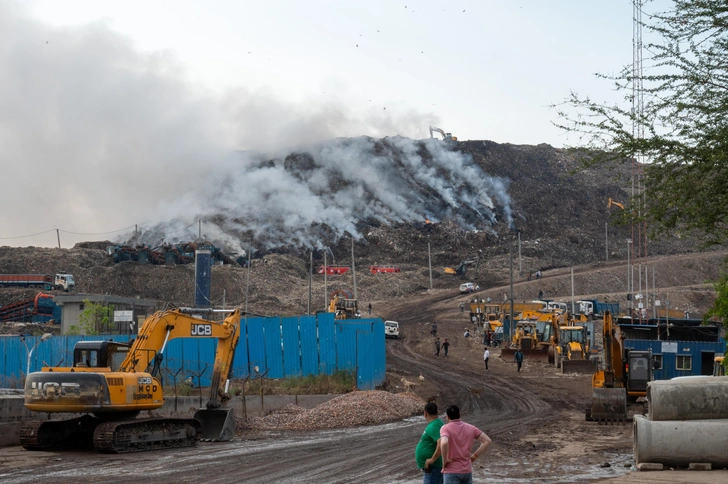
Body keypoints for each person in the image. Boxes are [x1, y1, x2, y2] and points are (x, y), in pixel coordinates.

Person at [429, 405, 491, 484]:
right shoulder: (471, 428)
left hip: (451, 471)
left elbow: (444, 443)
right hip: (467, 471)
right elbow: (487, 441)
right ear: (460, 414)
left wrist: (444, 462)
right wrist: (474, 456)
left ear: (447, 417)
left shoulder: (445, 428)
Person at [416, 402, 444, 484]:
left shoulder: (435, 426)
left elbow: (441, 443)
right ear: (437, 411)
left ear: (425, 413)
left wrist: (432, 459)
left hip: (434, 468)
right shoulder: (435, 423)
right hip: (433, 468)